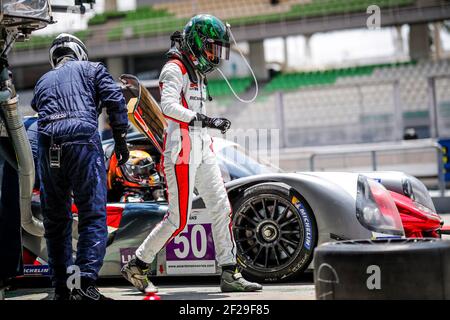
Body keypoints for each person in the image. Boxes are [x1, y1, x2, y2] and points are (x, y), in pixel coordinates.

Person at [121, 14, 262, 293]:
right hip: (181, 152)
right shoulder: (174, 69)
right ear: (197, 43)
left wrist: (205, 128)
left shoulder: (196, 71)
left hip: (201, 148)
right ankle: (138, 264)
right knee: (178, 218)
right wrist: (208, 121)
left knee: (221, 207)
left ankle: (229, 273)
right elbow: (168, 108)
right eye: (211, 47)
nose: (215, 55)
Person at [31, 33, 129, 300]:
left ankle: (62, 287)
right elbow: (116, 100)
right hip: (83, 143)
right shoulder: (93, 69)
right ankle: (84, 285)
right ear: (80, 52)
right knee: (92, 215)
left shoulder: (42, 80)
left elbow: (36, 106)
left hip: (48, 146)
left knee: (56, 221)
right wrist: (121, 142)